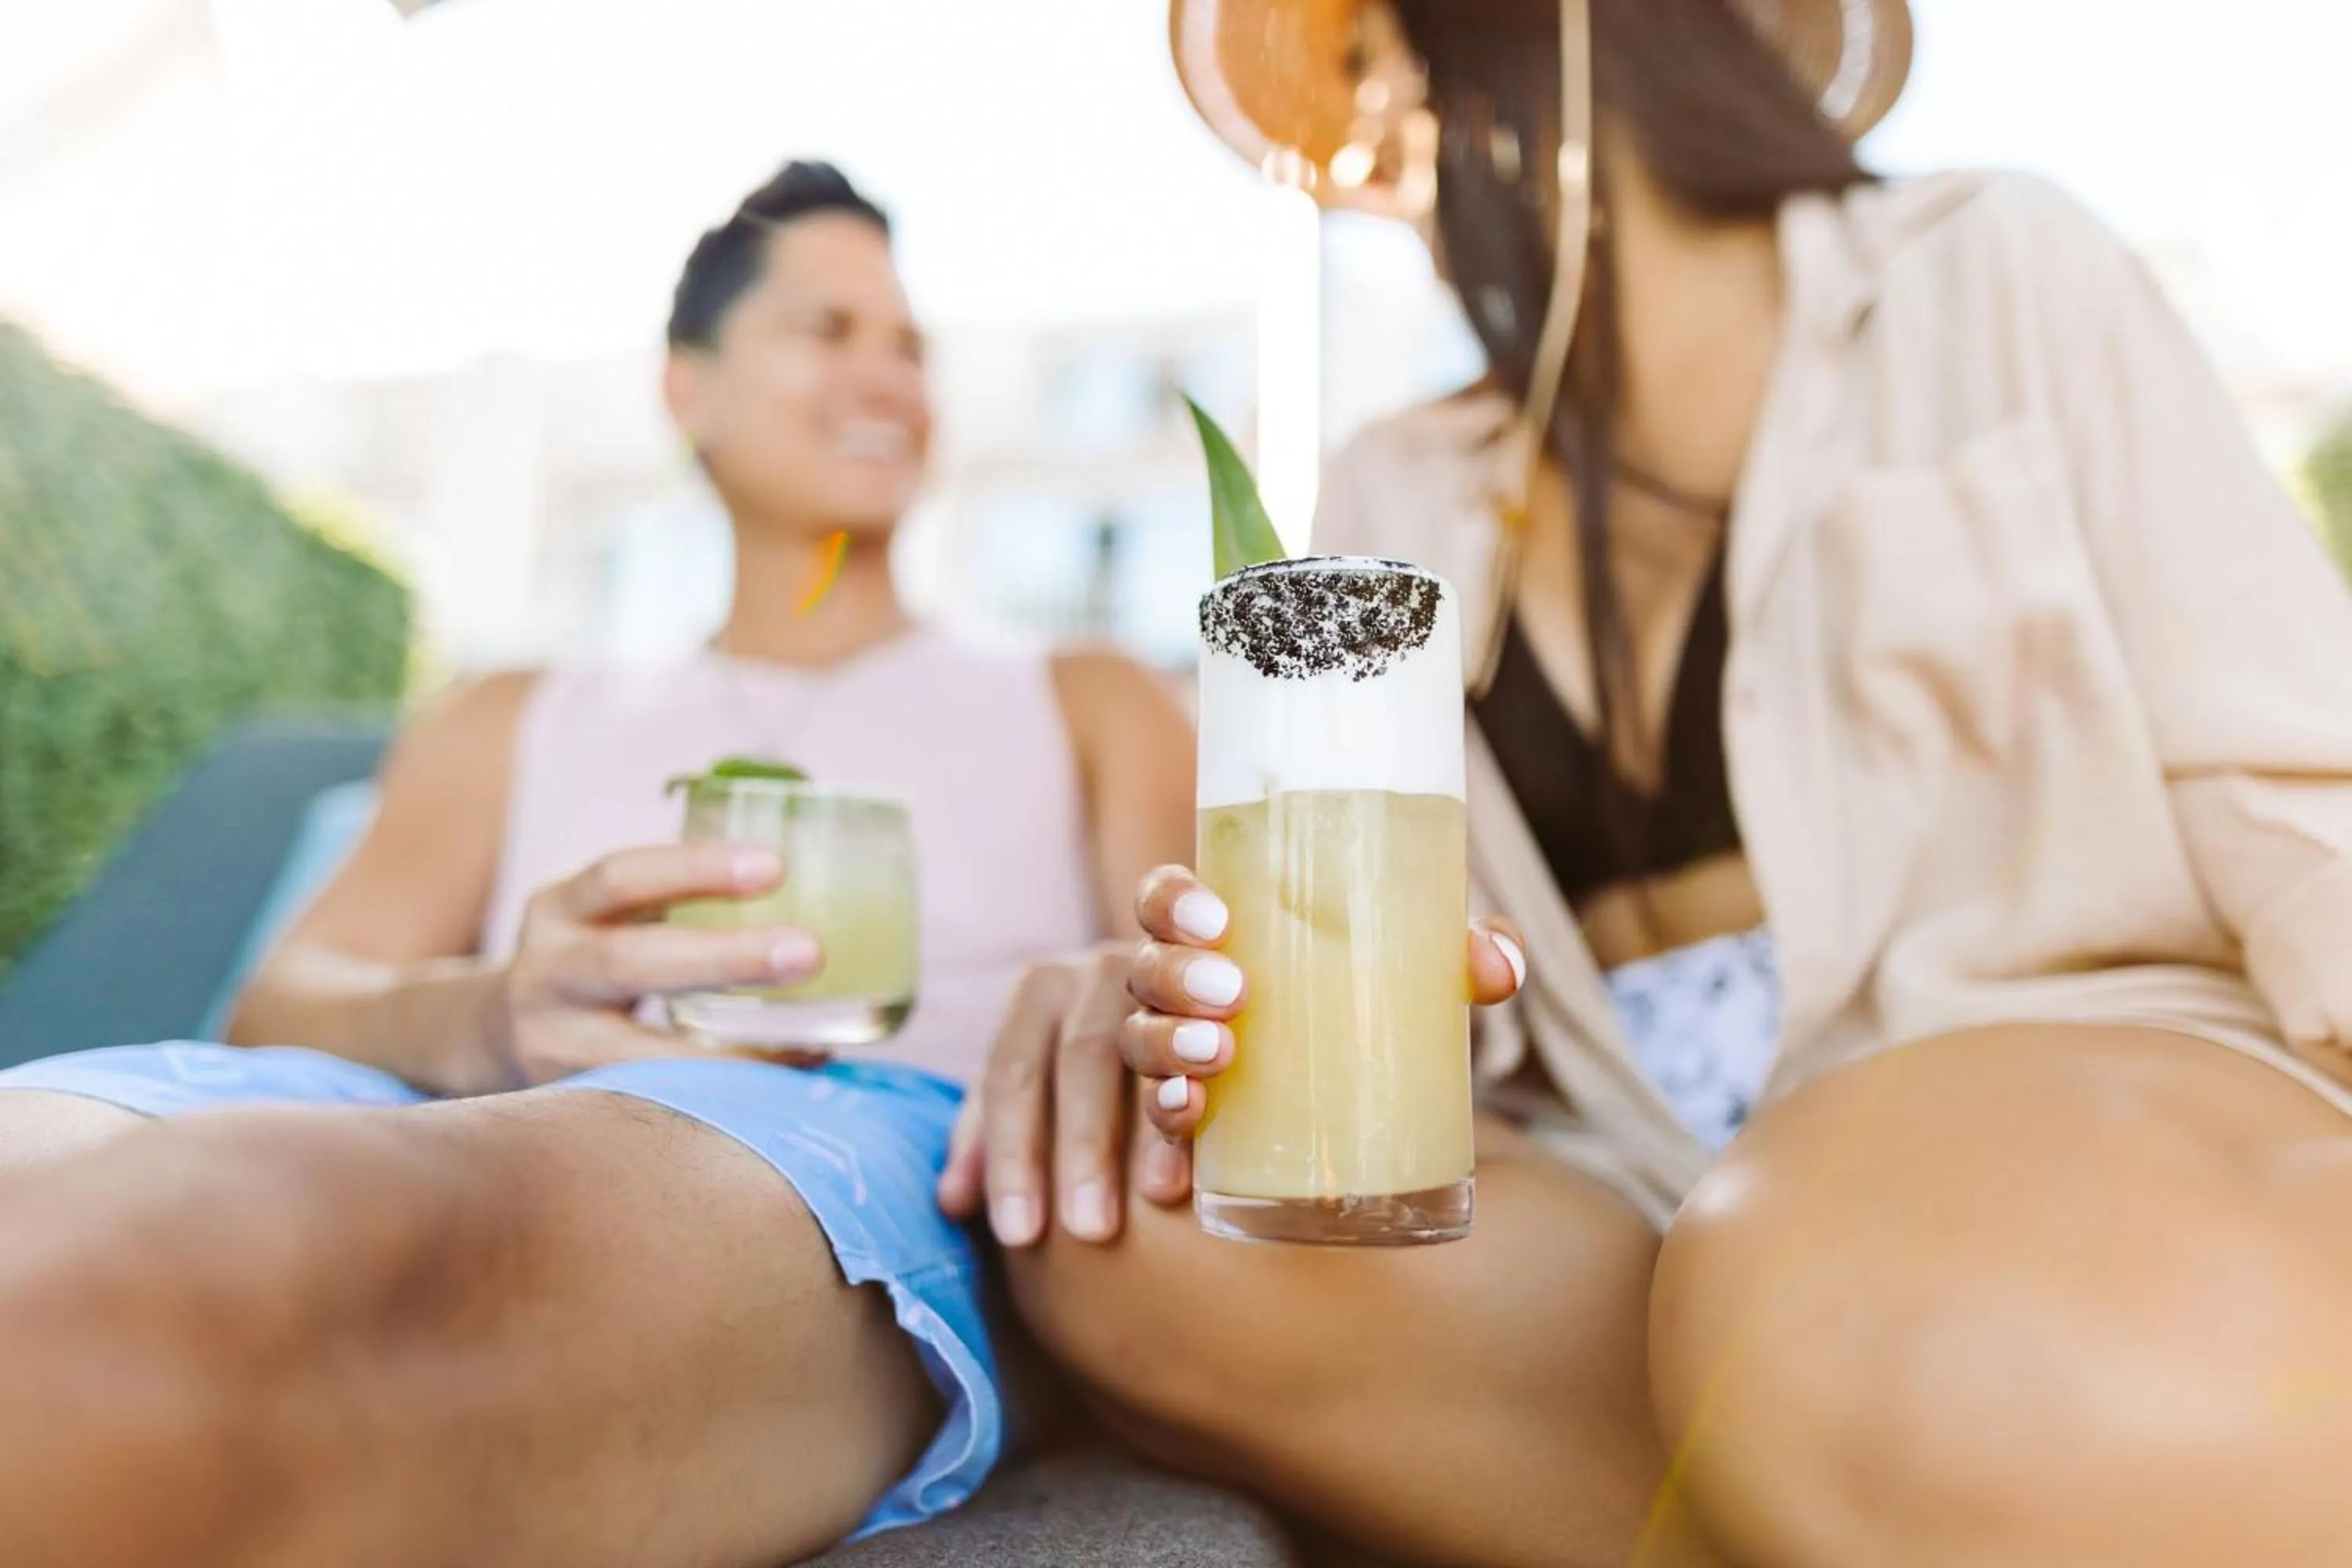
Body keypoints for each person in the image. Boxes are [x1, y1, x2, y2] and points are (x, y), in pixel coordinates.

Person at [955, 2, 2352, 1564]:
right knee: (1120, 1232)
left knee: (1831, 1269)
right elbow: (1394, 964)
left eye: (1375, 57)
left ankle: (1892, 1428)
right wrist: (1205, 1016)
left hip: (2046, 1063)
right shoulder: (1397, 482)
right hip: (1612, 1157)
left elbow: (2298, 772)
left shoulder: (1987, 266)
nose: (1364, 133)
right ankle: (1906, 1481)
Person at [0, 162, 1201, 1563]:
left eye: (911, 345)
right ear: (687, 389)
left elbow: (1185, 998)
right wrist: (488, 1010)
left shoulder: (1085, 697)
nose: (888, 378)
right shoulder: (511, 713)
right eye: (827, 330)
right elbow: (282, 1003)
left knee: (247, 1247)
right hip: (426, 1092)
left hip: (851, 1134)